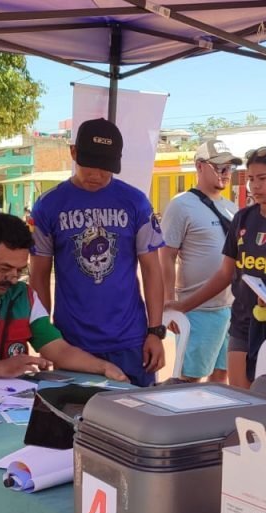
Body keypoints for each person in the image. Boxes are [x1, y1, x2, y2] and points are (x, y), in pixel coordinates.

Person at [167, 145, 266, 388]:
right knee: (241, 396)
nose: (255, 186)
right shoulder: (242, 218)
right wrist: (183, 306)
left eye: (262, 178)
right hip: (242, 323)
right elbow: (225, 273)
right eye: (251, 179)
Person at [28, 119, 166, 387]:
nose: (97, 175)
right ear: (73, 152)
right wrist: (46, 338)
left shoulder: (135, 202)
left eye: (106, 167)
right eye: (90, 164)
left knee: (135, 409)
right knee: (76, 411)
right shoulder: (48, 206)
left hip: (131, 340)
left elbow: (152, 269)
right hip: (72, 343)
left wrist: (155, 331)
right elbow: (39, 275)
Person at [0, 213, 126, 381]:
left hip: (7, 406)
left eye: (20, 270)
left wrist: (103, 367)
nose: (12, 278)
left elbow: (59, 350)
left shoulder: (23, 296)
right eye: (5, 268)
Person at [159, 140, 241, 382]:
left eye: (229, 168)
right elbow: (166, 255)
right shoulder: (181, 204)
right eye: (219, 167)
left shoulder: (231, 208)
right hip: (197, 311)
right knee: (189, 380)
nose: (225, 173)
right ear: (199, 166)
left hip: (230, 308)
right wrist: (170, 302)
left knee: (221, 376)